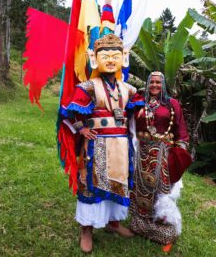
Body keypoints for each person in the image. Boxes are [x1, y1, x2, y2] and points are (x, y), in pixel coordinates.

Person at [59, 33, 144, 253]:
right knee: (91, 185)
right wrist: (82, 128)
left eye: (115, 55)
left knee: (119, 183)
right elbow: (68, 113)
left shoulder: (129, 90)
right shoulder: (88, 87)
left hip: (121, 148)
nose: (110, 59)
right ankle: (86, 229)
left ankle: (113, 223)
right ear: (94, 58)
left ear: (123, 58)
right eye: (104, 54)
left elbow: (139, 115)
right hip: (96, 146)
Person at [129, 71, 192, 251]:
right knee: (142, 188)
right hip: (142, 152)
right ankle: (141, 224)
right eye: (152, 82)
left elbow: (181, 130)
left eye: (158, 82)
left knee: (163, 190)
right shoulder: (139, 102)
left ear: (163, 85)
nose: (155, 85)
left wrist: (179, 151)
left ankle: (165, 229)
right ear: (147, 84)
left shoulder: (172, 104)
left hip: (164, 154)